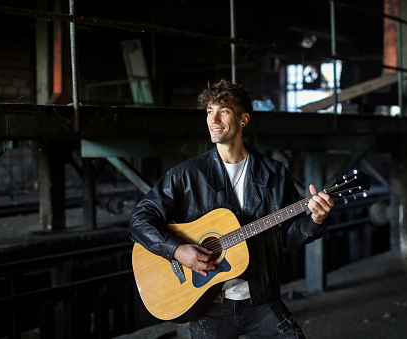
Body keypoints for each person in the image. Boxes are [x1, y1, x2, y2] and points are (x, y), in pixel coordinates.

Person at [129, 79, 334, 339]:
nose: (213, 118)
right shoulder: (186, 175)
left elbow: (287, 237)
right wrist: (176, 250)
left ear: (243, 120)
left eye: (223, 111)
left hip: (262, 301)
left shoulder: (274, 173)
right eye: (209, 111)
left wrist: (315, 220)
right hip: (209, 306)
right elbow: (139, 221)